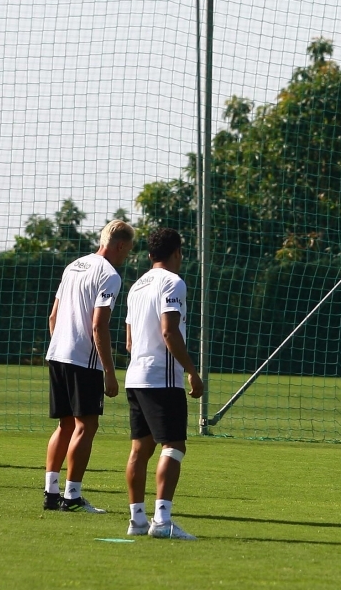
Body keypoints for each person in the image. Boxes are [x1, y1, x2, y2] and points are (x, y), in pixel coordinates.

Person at [43, 219, 134, 513]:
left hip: (57, 353)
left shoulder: (75, 266)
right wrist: (109, 371)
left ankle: (51, 492)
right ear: (120, 245)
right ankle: (72, 497)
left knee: (65, 424)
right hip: (84, 359)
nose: (127, 256)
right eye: (128, 250)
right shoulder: (110, 275)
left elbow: (53, 317)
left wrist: (62, 344)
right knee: (86, 425)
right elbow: (99, 325)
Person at [123, 227, 203, 540]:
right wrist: (191, 370)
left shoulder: (137, 286)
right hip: (162, 379)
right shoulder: (173, 282)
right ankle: (163, 521)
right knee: (174, 446)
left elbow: (129, 341)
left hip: (135, 376)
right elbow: (170, 332)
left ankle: (137, 520)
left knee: (139, 449)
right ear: (176, 253)